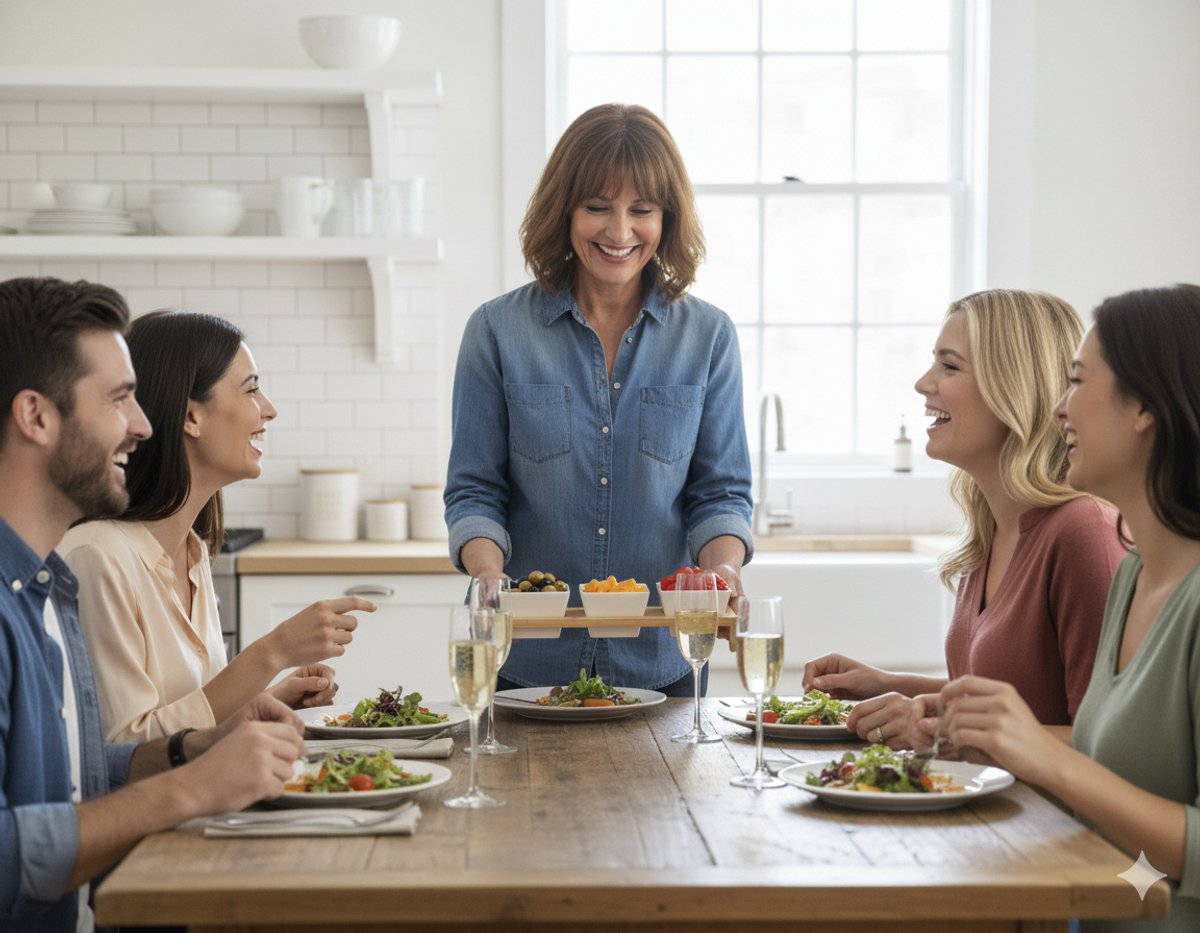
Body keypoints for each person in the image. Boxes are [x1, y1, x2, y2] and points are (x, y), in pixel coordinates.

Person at [0, 276, 305, 933]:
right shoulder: (63, 576)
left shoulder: (48, 587)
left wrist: (196, 746)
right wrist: (192, 785)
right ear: (36, 416)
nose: (142, 424)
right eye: (118, 400)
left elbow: (85, 774)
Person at [444, 104, 753, 693]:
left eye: (642, 210)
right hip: (525, 662)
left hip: (665, 663)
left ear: (668, 218)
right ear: (564, 210)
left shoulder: (708, 337)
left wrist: (723, 570)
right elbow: (475, 489)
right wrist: (487, 573)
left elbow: (720, 492)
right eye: (596, 207)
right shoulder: (496, 331)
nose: (619, 232)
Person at [922, 284, 1200, 932]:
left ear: (1144, 407)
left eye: (1077, 381)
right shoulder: (1133, 575)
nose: (1059, 407)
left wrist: (1044, 758)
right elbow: (1132, 843)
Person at [804, 289, 1126, 745]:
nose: (923, 383)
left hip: (1049, 817)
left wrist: (942, 734)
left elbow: (1104, 745)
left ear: (1013, 385)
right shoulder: (990, 533)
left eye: (949, 366)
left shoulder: (1083, 533)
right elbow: (1011, 702)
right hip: (990, 809)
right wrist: (890, 685)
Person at [59, 310, 375, 743]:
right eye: (251, 390)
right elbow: (124, 755)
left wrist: (269, 701)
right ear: (191, 416)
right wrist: (273, 651)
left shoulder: (192, 551)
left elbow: (190, 718)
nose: (269, 410)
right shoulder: (97, 557)